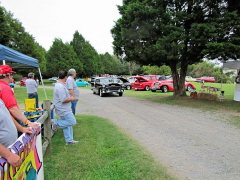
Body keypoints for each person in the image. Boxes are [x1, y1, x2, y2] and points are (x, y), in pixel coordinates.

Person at [0, 65, 38, 130]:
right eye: (12, 74)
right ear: (8, 75)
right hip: (8, 123)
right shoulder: (5, 88)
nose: (12, 77)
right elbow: (12, 109)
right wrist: (28, 122)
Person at [0, 94, 32, 167]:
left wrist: (21, 128)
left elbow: (7, 115)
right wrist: (8, 155)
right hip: (4, 155)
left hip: (10, 150)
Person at [51, 70, 78, 145]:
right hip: (63, 109)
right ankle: (55, 122)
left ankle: (69, 140)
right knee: (72, 122)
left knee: (67, 125)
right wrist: (72, 98)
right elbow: (63, 99)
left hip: (65, 108)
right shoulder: (60, 87)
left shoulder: (61, 84)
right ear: (65, 77)